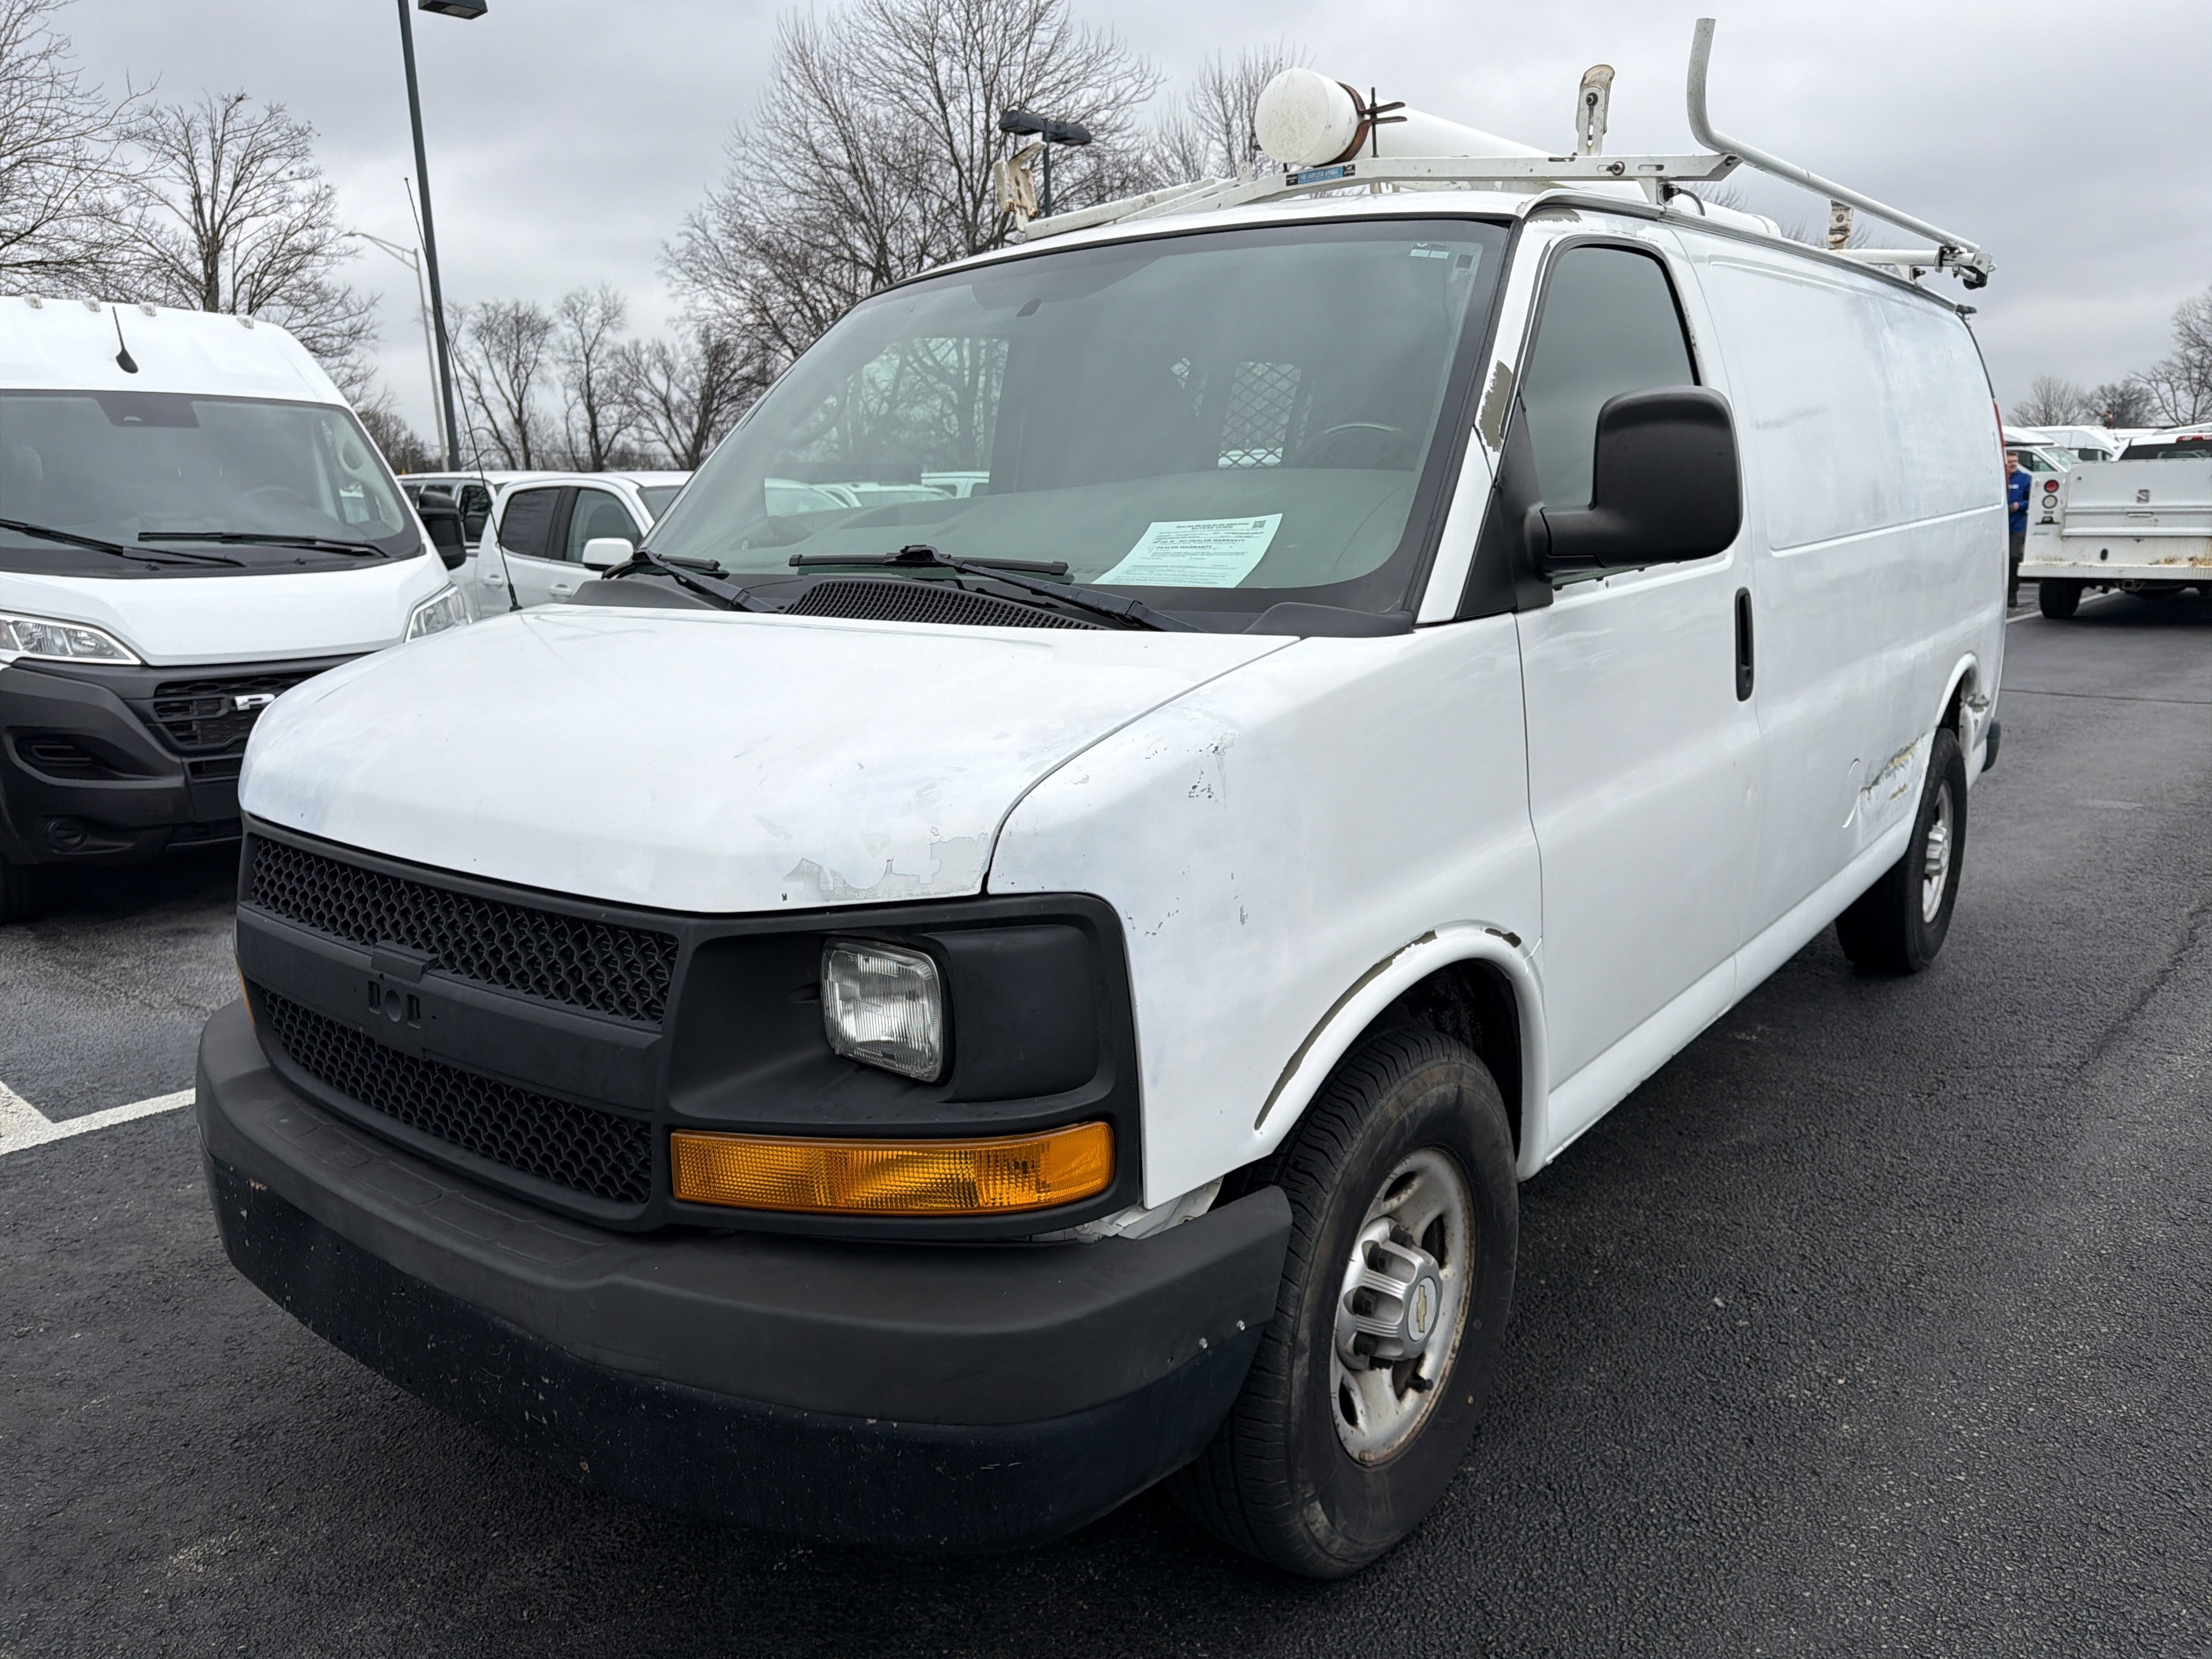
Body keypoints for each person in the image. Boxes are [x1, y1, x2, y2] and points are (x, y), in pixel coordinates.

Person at [2005, 452, 2031, 607]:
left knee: (2014, 558)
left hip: (2017, 526)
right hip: (1998, 526)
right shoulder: (1999, 478)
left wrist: (2020, 505)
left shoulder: (2025, 479)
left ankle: (2012, 594)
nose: (2014, 464)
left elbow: (2032, 500)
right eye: (2010, 462)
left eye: (2015, 461)